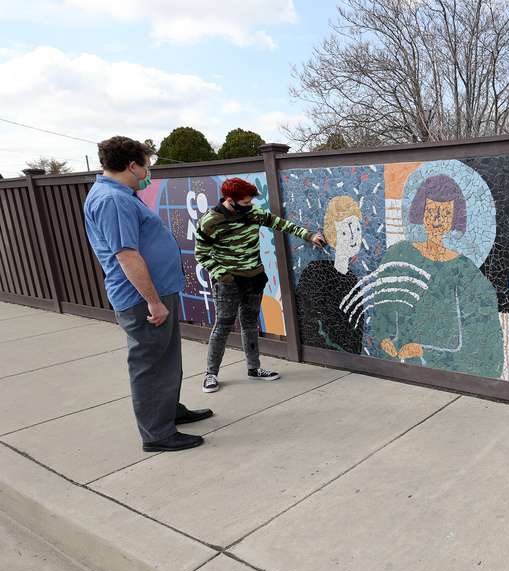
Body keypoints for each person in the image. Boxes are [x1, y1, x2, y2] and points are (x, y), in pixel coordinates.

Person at [83, 136, 212, 452]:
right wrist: (153, 301)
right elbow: (126, 255)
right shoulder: (113, 200)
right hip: (142, 299)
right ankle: (157, 434)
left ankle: (168, 412)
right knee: (151, 364)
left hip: (155, 293)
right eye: (147, 166)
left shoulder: (120, 194)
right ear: (132, 165)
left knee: (166, 359)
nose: (148, 172)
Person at [195, 178, 326, 392]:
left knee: (250, 324)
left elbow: (279, 224)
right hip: (228, 283)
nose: (250, 207)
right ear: (230, 200)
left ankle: (254, 368)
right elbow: (201, 254)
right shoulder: (211, 220)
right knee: (223, 326)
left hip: (254, 278)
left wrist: (308, 235)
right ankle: (211, 374)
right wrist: (224, 275)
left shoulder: (254, 213)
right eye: (245, 203)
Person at [368, 174, 503, 377]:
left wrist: (425, 352)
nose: (437, 219)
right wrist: (384, 339)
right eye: (431, 211)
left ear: (455, 218)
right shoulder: (398, 254)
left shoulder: (466, 271)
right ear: (421, 212)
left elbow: (482, 344)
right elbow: (381, 311)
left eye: (445, 213)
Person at [295, 195, 366, 353]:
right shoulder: (317, 272)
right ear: (333, 233)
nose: (354, 236)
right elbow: (308, 323)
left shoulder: (352, 279)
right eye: (347, 229)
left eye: (357, 228)